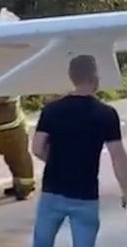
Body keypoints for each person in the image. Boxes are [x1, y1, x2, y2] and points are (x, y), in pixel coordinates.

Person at [31, 54, 127, 247]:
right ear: (95, 78)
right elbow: (118, 157)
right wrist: (126, 190)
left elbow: (37, 148)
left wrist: (57, 161)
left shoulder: (52, 110)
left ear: (71, 76)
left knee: (42, 243)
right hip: (86, 195)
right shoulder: (106, 114)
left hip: (53, 191)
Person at [0, 95, 35, 200]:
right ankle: (18, 184)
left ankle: (27, 188)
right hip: (0, 127)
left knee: (20, 157)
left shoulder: (7, 87)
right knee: (10, 157)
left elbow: (3, 97)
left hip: (14, 126)